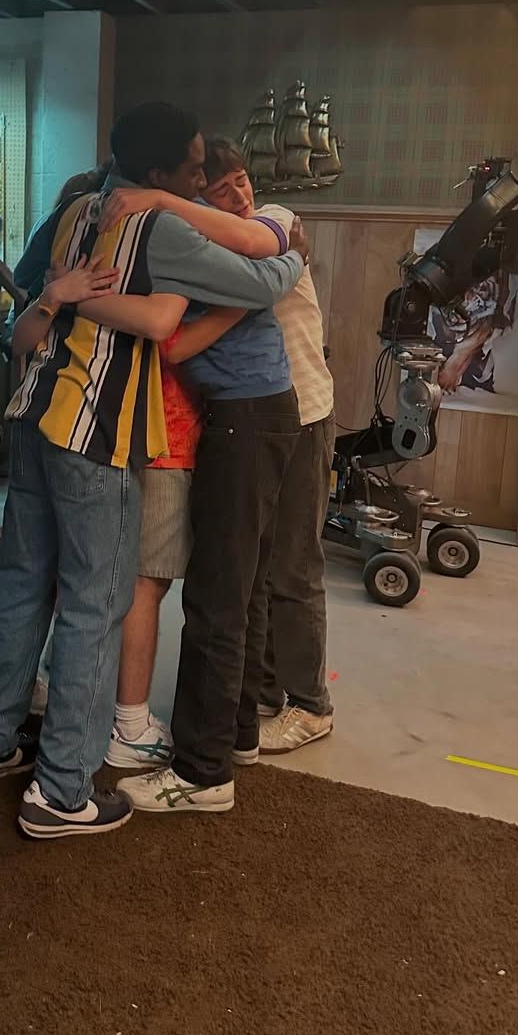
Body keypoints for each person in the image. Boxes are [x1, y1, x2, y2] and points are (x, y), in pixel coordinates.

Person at [0, 104, 307, 839]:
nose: (203, 182)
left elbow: (31, 301)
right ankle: (62, 791)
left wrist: (65, 301)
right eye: (194, 170)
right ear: (157, 174)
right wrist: (293, 254)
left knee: (24, 584)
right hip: (95, 428)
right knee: (97, 603)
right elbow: (251, 285)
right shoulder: (160, 227)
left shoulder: (75, 209)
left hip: (33, 414)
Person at [109, 137, 332, 815]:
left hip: (253, 419)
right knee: (243, 587)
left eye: (239, 182)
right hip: (256, 416)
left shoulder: (258, 231)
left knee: (217, 599)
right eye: (216, 187)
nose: (236, 195)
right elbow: (188, 332)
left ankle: (203, 774)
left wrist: (153, 205)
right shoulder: (219, 250)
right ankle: (236, 736)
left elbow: (173, 338)